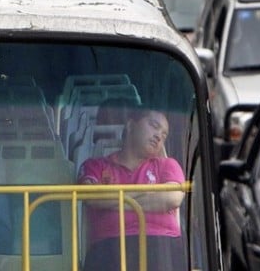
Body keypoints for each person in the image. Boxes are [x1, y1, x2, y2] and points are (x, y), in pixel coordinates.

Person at [78, 108, 186, 271]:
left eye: (164, 135)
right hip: (109, 249)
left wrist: (113, 200)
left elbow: (172, 199)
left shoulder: (168, 165)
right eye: (154, 126)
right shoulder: (96, 166)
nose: (158, 136)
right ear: (130, 125)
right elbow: (90, 195)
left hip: (162, 248)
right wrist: (151, 196)